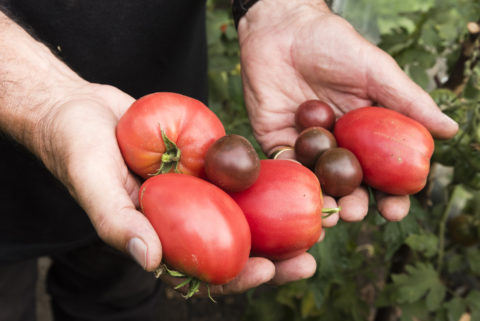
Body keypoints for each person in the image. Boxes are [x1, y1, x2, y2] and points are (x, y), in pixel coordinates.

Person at [0, 0, 458, 320]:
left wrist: (279, 7)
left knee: (118, 296)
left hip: (149, 160)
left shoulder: (172, 172)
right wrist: (42, 101)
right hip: (14, 196)